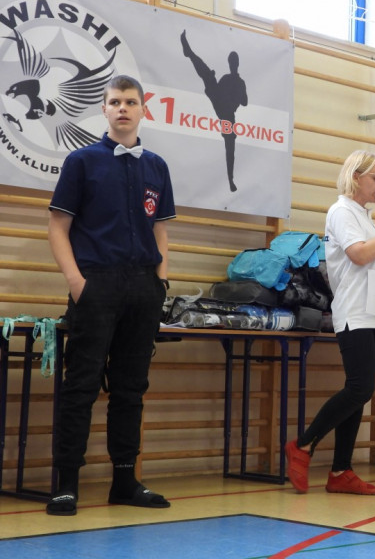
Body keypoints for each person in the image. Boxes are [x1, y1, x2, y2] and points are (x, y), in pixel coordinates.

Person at [46, 75, 176, 516]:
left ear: (142, 109)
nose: (123, 108)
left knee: (130, 389)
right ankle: (66, 483)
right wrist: (77, 282)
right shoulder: (82, 161)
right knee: (81, 385)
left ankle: (124, 480)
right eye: (116, 101)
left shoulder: (156, 166)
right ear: (103, 109)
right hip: (95, 283)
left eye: (131, 102)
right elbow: (58, 226)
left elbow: (160, 229)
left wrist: (160, 281)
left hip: (143, 287)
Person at [284, 150, 375, 495]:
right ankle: (303, 444)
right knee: (359, 388)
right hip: (354, 311)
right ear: (356, 177)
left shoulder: (365, 217)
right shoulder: (341, 211)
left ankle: (341, 470)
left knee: (360, 392)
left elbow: (371, 259)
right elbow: (358, 254)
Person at [180, 30, 248, 192]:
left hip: (227, 113)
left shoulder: (238, 81)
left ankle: (230, 179)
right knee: (208, 76)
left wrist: (237, 93)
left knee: (230, 145)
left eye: (233, 62)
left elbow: (245, 102)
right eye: (232, 62)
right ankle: (190, 54)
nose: (232, 64)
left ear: (234, 64)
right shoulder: (231, 79)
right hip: (221, 104)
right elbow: (237, 98)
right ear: (233, 63)